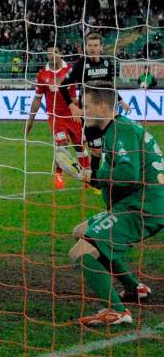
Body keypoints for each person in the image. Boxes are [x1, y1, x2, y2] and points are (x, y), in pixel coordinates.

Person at [67, 80, 164, 326]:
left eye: (86, 105)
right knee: (80, 231)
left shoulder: (121, 131)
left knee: (80, 251)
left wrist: (94, 176)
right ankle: (134, 289)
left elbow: (128, 175)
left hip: (145, 206)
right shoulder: (117, 129)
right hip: (143, 202)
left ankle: (117, 312)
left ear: (101, 106)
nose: (82, 110)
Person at [59, 33, 131, 184]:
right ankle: (95, 181)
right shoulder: (80, 65)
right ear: (86, 47)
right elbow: (62, 87)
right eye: (90, 45)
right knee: (96, 151)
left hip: (106, 113)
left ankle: (110, 178)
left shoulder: (106, 64)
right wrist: (72, 107)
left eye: (95, 45)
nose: (92, 49)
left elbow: (110, 86)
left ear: (101, 47)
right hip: (90, 115)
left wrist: (121, 100)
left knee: (112, 146)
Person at [25, 45, 90, 189]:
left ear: (60, 53)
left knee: (80, 146)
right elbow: (37, 99)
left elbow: (82, 87)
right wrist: (30, 120)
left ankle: (87, 176)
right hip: (56, 117)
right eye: (49, 53)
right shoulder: (42, 74)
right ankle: (59, 175)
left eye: (55, 52)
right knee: (61, 146)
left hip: (72, 114)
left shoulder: (70, 69)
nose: (52, 55)